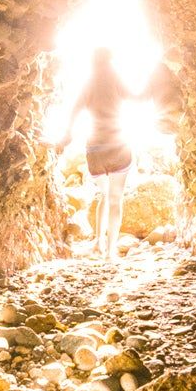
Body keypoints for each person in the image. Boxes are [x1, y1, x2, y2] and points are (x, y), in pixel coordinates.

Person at [57, 47, 136, 258]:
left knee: (104, 194)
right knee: (115, 198)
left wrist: (67, 135)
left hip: (95, 150)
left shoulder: (88, 84)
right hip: (118, 146)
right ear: (111, 59)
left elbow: (74, 110)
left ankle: (98, 242)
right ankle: (110, 252)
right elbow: (135, 97)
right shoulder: (115, 78)